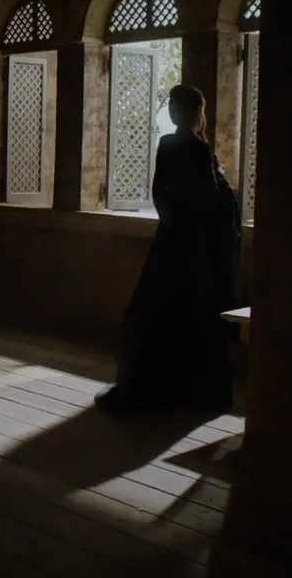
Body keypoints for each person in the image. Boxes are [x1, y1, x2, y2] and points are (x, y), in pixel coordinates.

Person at [96, 85, 241, 414]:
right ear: (197, 112)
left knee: (156, 311)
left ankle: (154, 385)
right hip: (195, 247)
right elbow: (209, 199)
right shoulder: (199, 149)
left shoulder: (169, 144)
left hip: (172, 241)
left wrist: (174, 222)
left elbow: (161, 192)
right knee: (189, 315)